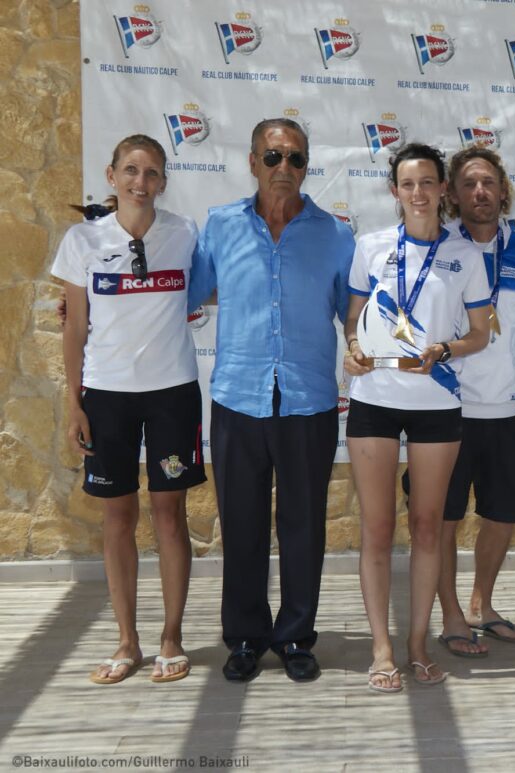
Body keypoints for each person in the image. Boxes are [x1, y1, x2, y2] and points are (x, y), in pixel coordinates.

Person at [188, 118, 355, 683]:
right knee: (241, 523)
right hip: (238, 395)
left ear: (307, 165)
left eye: (297, 159)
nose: (285, 168)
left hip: (308, 400)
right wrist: (91, 304)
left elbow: (352, 314)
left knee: (304, 524)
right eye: (274, 156)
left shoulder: (335, 235)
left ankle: (295, 637)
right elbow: (184, 292)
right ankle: (243, 637)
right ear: (253, 160)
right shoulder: (219, 226)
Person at [53, 134, 204, 685]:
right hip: (107, 396)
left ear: (163, 181)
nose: (142, 182)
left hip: (173, 394)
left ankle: (171, 637)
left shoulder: (185, 233)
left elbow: (207, 289)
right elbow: (74, 327)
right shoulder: (82, 239)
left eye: (152, 172)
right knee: (118, 517)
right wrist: (75, 403)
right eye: (132, 170)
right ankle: (127, 641)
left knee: (170, 516)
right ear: (112, 175)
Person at [344, 143, 492, 691]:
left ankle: (417, 644)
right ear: (395, 191)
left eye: (428, 183)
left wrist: (445, 351)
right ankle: (382, 648)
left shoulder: (465, 255)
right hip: (376, 398)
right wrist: (353, 347)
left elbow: (480, 334)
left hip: (436, 402)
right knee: (378, 530)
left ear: (443, 191)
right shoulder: (371, 246)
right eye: (408, 184)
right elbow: (355, 319)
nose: (419, 193)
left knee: (429, 528)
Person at [400, 145, 515, 657]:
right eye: (468, 184)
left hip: (503, 409)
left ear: (503, 192)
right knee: (442, 519)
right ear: (452, 195)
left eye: (488, 183)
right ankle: (451, 614)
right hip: (446, 410)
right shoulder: (440, 248)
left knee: (503, 512)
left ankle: (481, 603)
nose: (479, 192)